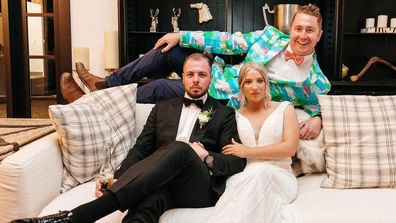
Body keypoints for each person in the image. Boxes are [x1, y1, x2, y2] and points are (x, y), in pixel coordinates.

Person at [11, 53, 246, 223]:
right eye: (191, 74)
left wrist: (205, 156)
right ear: (182, 78)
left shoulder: (224, 113)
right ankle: (71, 219)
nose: (196, 79)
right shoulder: (162, 108)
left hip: (197, 188)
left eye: (202, 75)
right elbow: (140, 149)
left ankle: (80, 216)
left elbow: (237, 161)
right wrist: (117, 178)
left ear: (210, 78)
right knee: (147, 205)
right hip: (159, 182)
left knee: (181, 149)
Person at [65, 4, 330, 143]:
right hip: (218, 75)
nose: (302, 36)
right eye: (298, 28)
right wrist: (181, 34)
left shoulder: (316, 82)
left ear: (319, 35)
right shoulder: (270, 37)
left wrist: (317, 118)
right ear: (291, 28)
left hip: (221, 99)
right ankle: (105, 85)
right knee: (168, 49)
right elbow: (227, 41)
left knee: (158, 89)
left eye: (309, 31)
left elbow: (321, 107)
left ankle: (90, 103)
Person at [207, 62, 299, 222]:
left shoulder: (285, 109)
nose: (255, 86)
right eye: (248, 82)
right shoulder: (233, 116)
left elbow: (290, 148)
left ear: (266, 83)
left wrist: (247, 151)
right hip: (246, 177)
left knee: (260, 173)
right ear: (241, 87)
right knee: (246, 183)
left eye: (260, 80)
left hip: (280, 176)